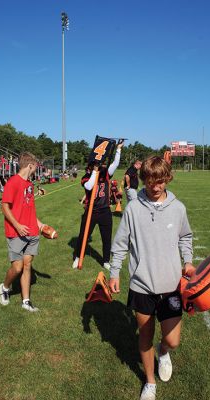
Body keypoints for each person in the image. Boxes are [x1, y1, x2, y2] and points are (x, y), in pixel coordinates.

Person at [109, 156, 195, 400]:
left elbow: (185, 236)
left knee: (173, 340)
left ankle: (164, 351)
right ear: (143, 179)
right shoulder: (133, 209)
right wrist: (114, 272)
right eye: (149, 182)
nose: (155, 188)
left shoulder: (178, 209)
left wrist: (187, 261)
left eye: (160, 182)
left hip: (170, 286)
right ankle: (149, 382)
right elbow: (120, 244)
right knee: (144, 337)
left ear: (167, 178)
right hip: (142, 285)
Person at [0, 152, 44, 312]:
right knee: (17, 268)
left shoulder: (29, 185)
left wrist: (40, 225)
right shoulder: (13, 182)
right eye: (35, 167)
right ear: (30, 165)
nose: (35, 169)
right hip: (16, 232)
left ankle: (26, 301)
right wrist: (17, 225)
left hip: (31, 232)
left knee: (27, 265)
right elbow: (4, 207)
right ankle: (5, 287)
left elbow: (30, 209)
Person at [72, 141, 124, 270]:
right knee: (83, 235)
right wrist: (94, 172)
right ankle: (78, 257)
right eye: (94, 166)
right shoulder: (86, 177)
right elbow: (89, 186)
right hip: (91, 210)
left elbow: (115, 164)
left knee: (106, 238)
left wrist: (118, 149)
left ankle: (106, 260)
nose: (98, 167)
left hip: (105, 210)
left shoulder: (105, 173)